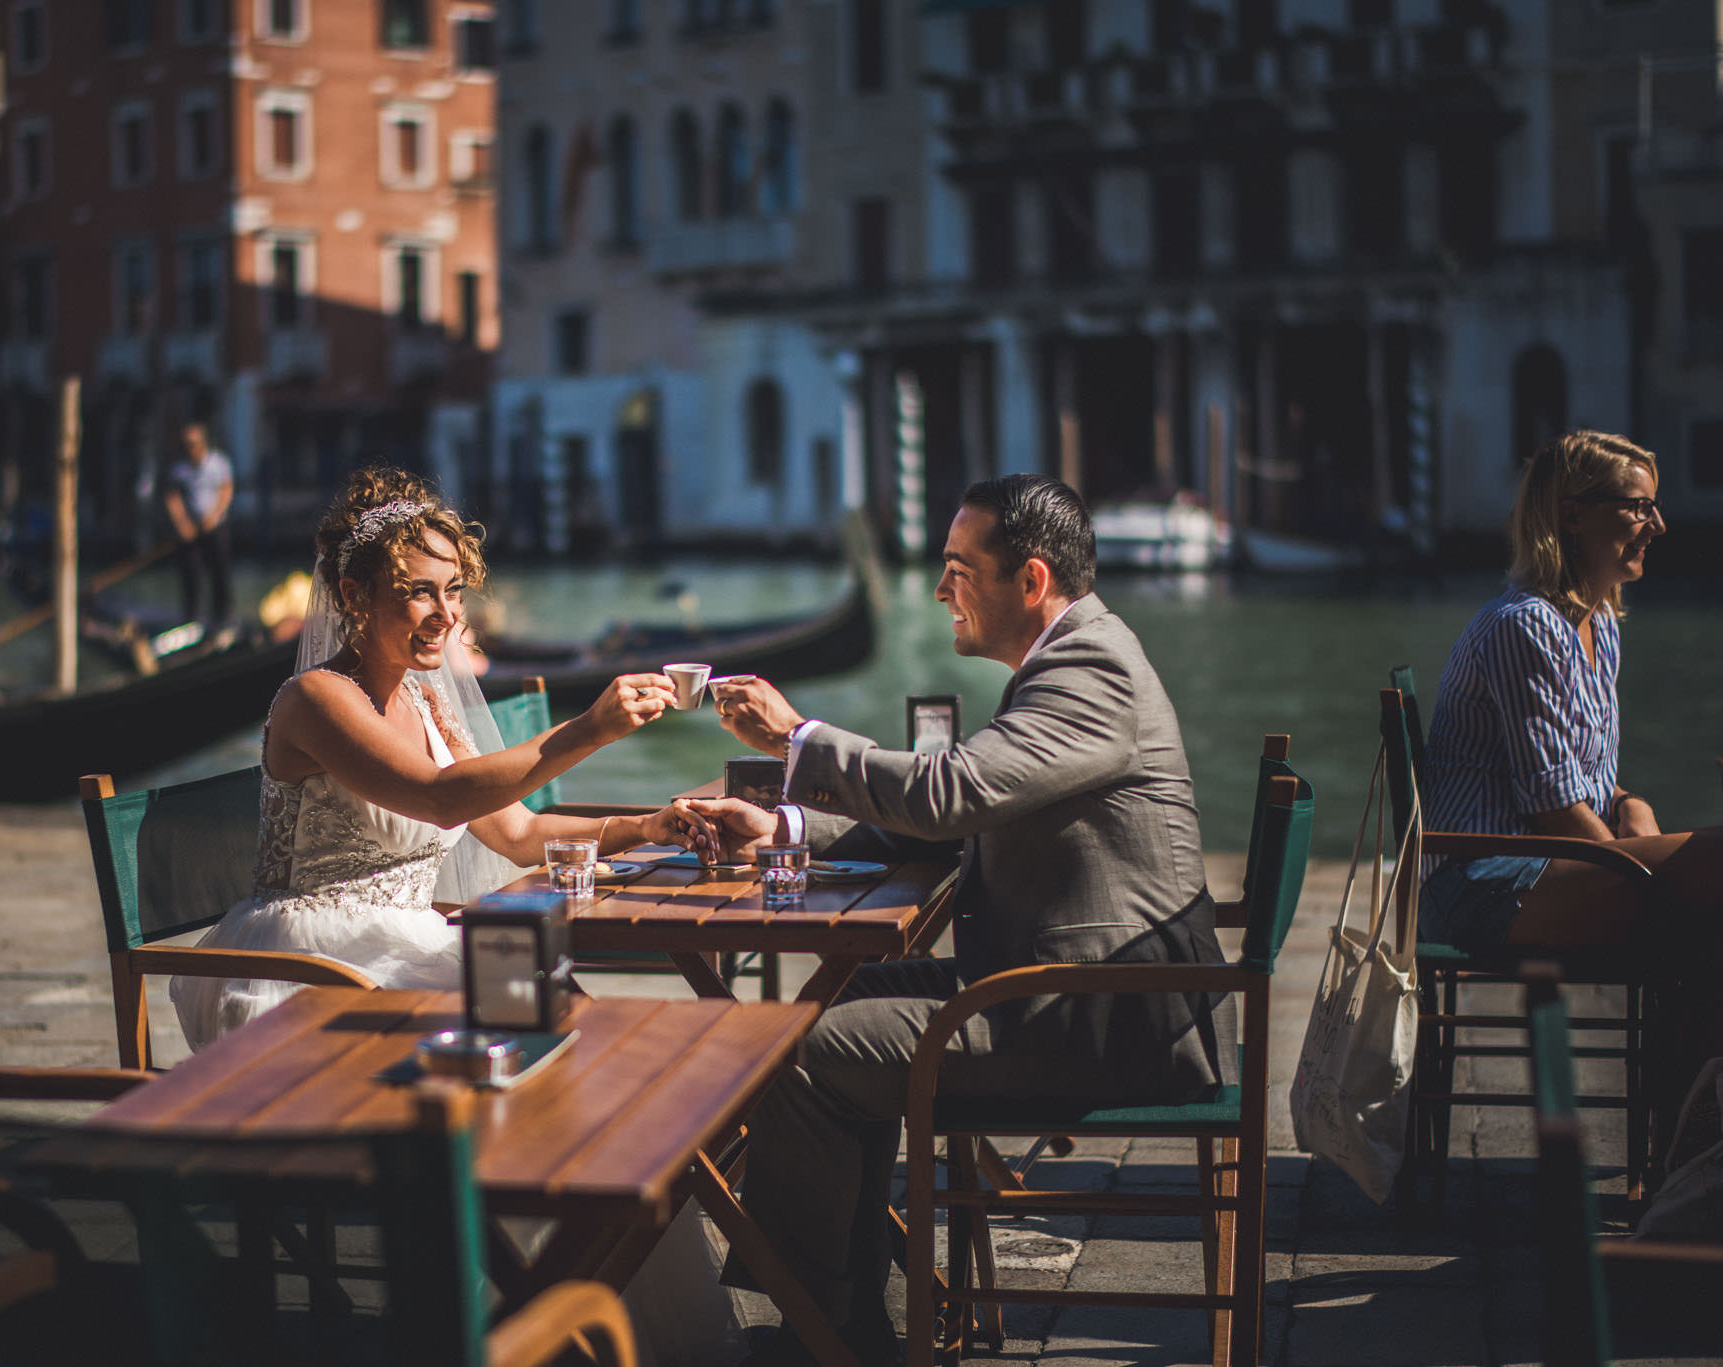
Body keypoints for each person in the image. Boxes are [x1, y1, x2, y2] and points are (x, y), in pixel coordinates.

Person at [693, 475, 1231, 1366]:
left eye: (956, 569)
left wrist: (800, 740)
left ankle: (824, 1327)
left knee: (799, 1055)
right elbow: (967, 812)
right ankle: (844, 1317)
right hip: (1058, 980)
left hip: (1098, 1007)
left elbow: (955, 794)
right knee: (825, 1006)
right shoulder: (1065, 659)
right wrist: (787, 825)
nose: (940, 590)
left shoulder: (1088, 666)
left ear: (1029, 581)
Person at [171, 466, 722, 1051]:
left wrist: (646, 828)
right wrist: (588, 729)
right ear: (356, 596)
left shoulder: (425, 697)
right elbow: (440, 797)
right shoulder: (315, 699)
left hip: (413, 943)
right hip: (313, 963)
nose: (448, 613)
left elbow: (518, 832)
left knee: (583, 1026)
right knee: (547, 1030)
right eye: (420, 591)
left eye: (454, 589)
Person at [1419, 432, 1723, 998]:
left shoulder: (1600, 625)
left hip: (1536, 866)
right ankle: (1680, 1082)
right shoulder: (1523, 626)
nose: (1656, 526)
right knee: (1710, 870)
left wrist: (1630, 802)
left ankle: (1682, 1081)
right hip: (1480, 887)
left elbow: (1580, 780)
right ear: (1573, 515)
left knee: (1702, 908)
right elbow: (1555, 807)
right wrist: (1643, 871)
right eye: (1638, 507)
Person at [163, 422, 234, 630]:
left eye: (193, 444)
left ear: (203, 443)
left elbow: (226, 490)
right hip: (190, 530)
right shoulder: (180, 469)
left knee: (219, 571)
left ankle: (222, 616)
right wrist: (182, 523)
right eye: (186, 445)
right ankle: (191, 618)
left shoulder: (218, 463)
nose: (190, 448)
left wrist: (214, 516)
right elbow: (173, 496)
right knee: (191, 572)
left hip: (215, 526)